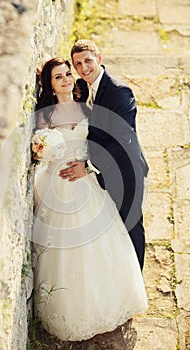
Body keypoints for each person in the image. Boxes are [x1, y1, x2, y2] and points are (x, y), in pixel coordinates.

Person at [32, 57, 148, 341]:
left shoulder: (88, 107)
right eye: (58, 77)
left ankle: (108, 300)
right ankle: (71, 309)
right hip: (58, 185)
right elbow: (38, 151)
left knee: (102, 243)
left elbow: (99, 141)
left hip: (86, 180)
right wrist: (42, 150)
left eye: (68, 74)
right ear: (49, 84)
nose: (67, 79)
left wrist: (87, 166)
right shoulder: (44, 116)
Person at [59, 40, 149, 271]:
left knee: (131, 225)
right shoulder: (83, 86)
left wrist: (87, 165)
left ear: (99, 59)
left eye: (88, 61)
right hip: (104, 172)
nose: (84, 67)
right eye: (78, 63)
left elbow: (122, 139)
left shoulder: (119, 92)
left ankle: (136, 281)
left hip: (125, 170)